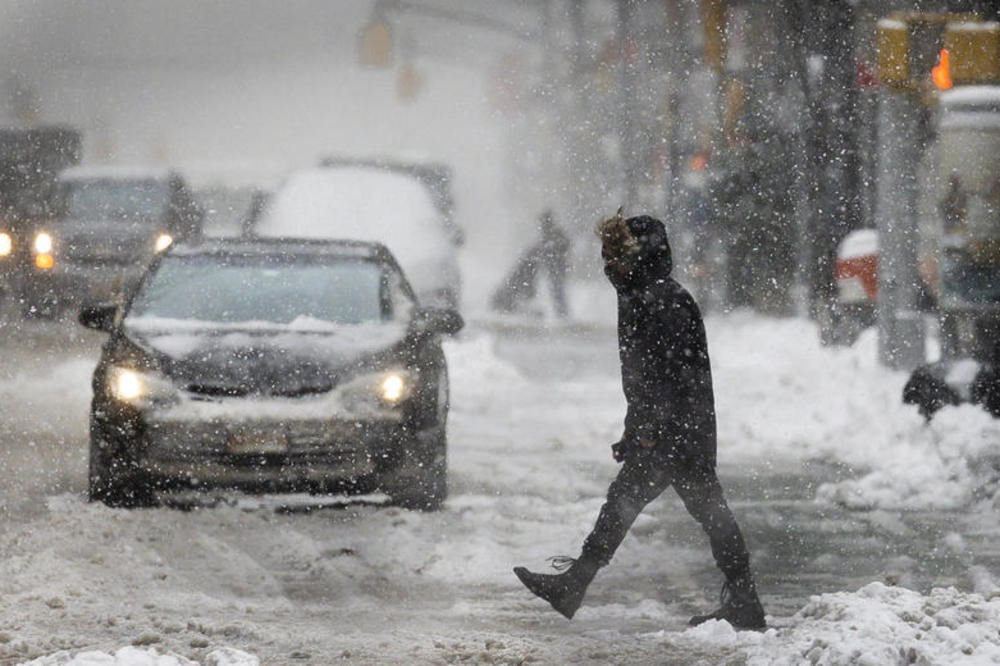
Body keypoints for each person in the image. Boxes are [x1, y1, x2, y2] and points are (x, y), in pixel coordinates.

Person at [512, 209, 766, 629]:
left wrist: (649, 429)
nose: (610, 263)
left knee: (642, 506)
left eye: (618, 255)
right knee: (692, 511)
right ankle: (744, 599)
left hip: (676, 434)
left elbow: (670, 374)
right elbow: (648, 377)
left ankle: (576, 583)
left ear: (642, 255)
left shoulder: (661, 299)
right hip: (679, 430)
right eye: (608, 255)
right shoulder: (643, 294)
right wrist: (635, 430)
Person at [489, 209, 571, 318]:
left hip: (554, 269)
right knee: (555, 292)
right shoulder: (548, 238)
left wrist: (550, 255)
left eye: (543, 223)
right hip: (550, 270)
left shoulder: (554, 236)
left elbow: (561, 248)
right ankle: (561, 314)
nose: (542, 226)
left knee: (556, 291)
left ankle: (562, 314)